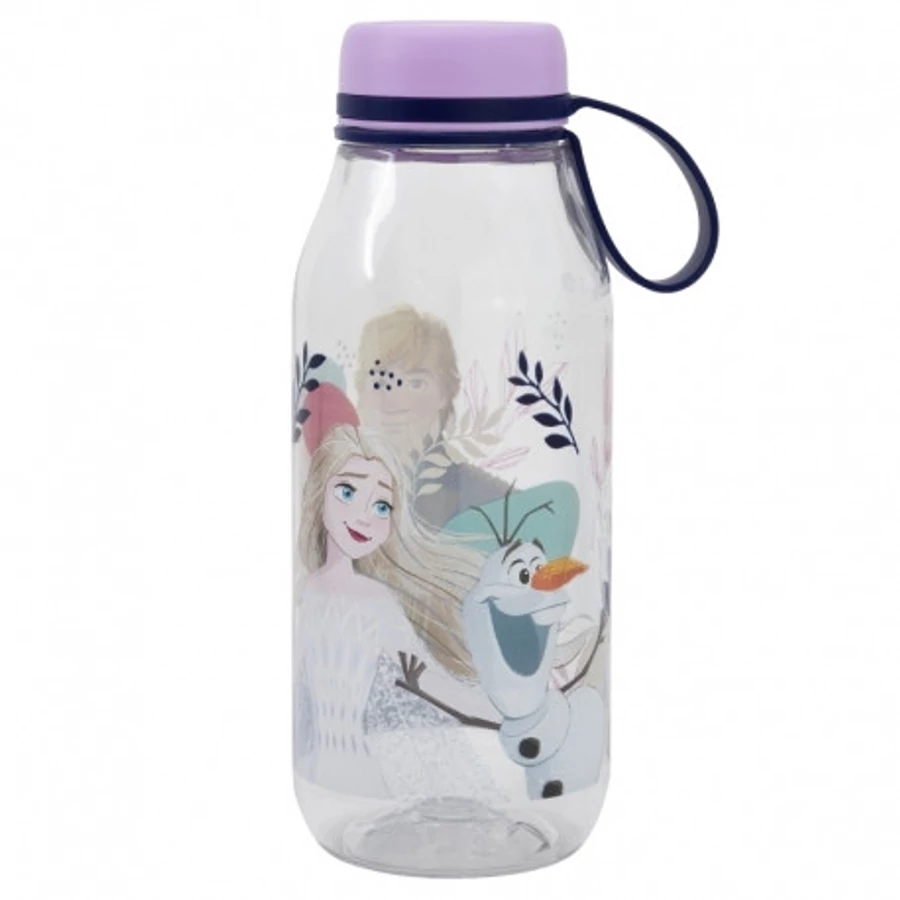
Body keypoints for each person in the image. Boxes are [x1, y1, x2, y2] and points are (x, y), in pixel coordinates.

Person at [293, 424, 503, 800]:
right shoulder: (308, 592)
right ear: (318, 492)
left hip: (364, 776)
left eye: (381, 506)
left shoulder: (376, 601)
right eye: (347, 492)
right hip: (322, 773)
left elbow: (428, 680)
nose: (364, 517)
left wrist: (507, 713)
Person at [354, 305, 508, 527]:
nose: (395, 403)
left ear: (445, 393)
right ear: (360, 391)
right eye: (380, 382)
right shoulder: (329, 487)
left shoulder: (495, 503)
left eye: (416, 384)